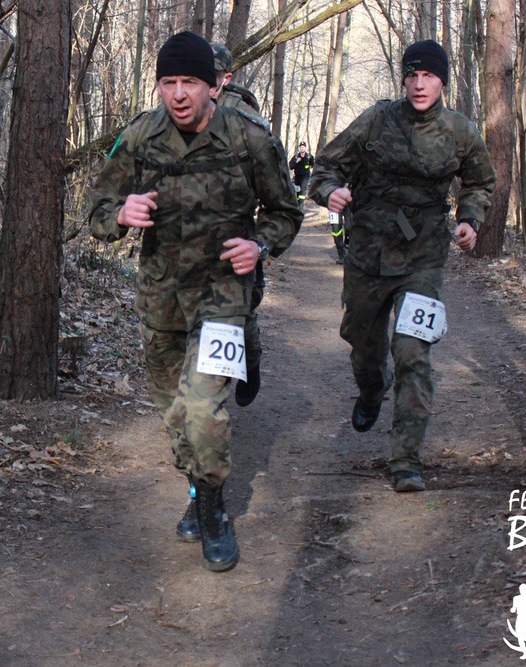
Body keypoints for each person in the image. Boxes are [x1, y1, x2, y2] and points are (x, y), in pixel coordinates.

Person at [89, 32, 302, 571]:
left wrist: (260, 245)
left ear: (214, 86)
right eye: (168, 82)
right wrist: (119, 215)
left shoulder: (249, 138)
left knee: (204, 410)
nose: (179, 94)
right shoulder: (139, 136)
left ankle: (213, 507)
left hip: (222, 294)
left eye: (190, 82)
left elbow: (286, 212)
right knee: (176, 413)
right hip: (159, 296)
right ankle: (196, 487)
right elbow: (97, 209)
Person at [309, 39, 496, 493]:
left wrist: (470, 220)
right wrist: (331, 191)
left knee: (413, 353)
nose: (419, 84)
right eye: (412, 75)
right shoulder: (376, 120)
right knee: (363, 345)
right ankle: (372, 388)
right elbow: (325, 167)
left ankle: (406, 459)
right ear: (404, 80)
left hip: (423, 258)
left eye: (428, 76)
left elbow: (480, 183)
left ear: (442, 82)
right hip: (368, 254)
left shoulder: (460, 131)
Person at [212, 41, 265, 407]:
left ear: (226, 78)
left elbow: (266, 174)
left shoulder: (244, 115)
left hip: (234, 231)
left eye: (212, 75)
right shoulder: (176, 109)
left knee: (241, 311)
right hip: (187, 235)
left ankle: (251, 359)